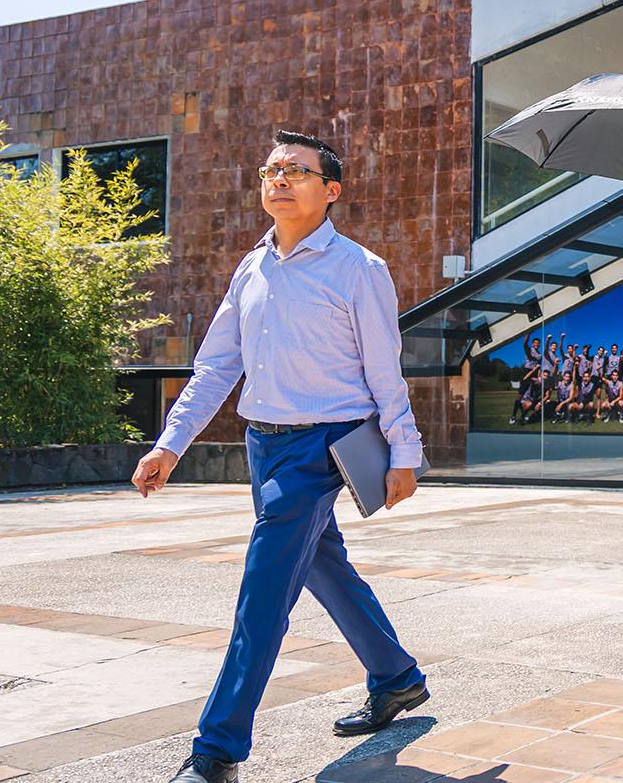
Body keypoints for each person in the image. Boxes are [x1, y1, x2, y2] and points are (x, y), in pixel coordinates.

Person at [131, 132, 428, 783]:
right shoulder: (252, 268)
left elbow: (386, 374)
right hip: (262, 443)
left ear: (331, 191)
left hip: (323, 447)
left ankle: (216, 752)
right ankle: (398, 678)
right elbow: (215, 367)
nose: (281, 179)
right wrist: (171, 443)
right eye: (271, 169)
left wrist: (404, 453)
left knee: (262, 595)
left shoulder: (359, 269)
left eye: (298, 170)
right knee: (324, 566)